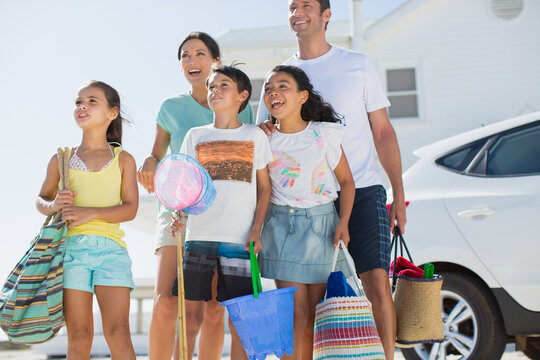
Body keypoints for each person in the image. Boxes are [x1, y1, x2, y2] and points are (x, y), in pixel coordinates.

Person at [257, 1, 407, 358]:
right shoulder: (280, 77)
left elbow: (383, 131)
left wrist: (398, 193)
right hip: (306, 205)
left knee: (375, 284)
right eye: (292, 6)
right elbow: (265, 138)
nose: (298, 11)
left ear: (326, 15)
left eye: (307, 4)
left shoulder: (357, 64)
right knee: (311, 302)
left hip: (363, 188)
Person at [137, 32, 253, 360]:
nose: (192, 60)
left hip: (222, 222)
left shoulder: (239, 107)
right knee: (164, 303)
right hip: (177, 215)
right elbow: (156, 155)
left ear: (215, 61)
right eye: (185, 55)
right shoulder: (171, 108)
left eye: (200, 54)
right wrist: (148, 164)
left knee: (214, 310)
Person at [170, 65, 272, 360]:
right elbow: (186, 187)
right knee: (189, 321)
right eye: (212, 86)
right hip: (198, 236)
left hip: (239, 241)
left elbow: (264, 189)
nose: (214, 90)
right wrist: (180, 213)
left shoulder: (255, 136)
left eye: (223, 85)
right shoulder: (195, 136)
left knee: (240, 322)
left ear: (242, 95)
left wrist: (256, 229)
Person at [36, 80, 138, 359]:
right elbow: (41, 200)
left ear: (112, 112)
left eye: (92, 101)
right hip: (71, 254)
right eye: (79, 101)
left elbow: (130, 209)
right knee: (79, 337)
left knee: (118, 333)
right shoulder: (62, 158)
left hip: (112, 254)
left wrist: (88, 213)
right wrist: (54, 204)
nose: (82, 106)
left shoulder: (124, 159)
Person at [259, 65, 355, 360]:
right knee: (294, 315)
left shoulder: (323, 134)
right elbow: (259, 190)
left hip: (322, 228)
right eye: (268, 87)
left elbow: (348, 182)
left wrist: (344, 223)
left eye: (282, 86)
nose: (273, 92)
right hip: (281, 227)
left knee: (314, 317)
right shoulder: (261, 139)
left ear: (302, 96)